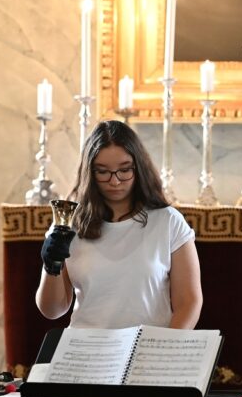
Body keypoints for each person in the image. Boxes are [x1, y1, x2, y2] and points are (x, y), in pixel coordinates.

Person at [35, 120, 202, 329]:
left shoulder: (168, 221)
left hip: (147, 345)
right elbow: (52, 310)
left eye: (124, 170)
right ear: (90, 172)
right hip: (85, 345)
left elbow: (188, 303)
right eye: (103, 171)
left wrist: (165, 346)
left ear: (138, 167)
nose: (114, 181)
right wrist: (51, 266)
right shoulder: (69, 224)